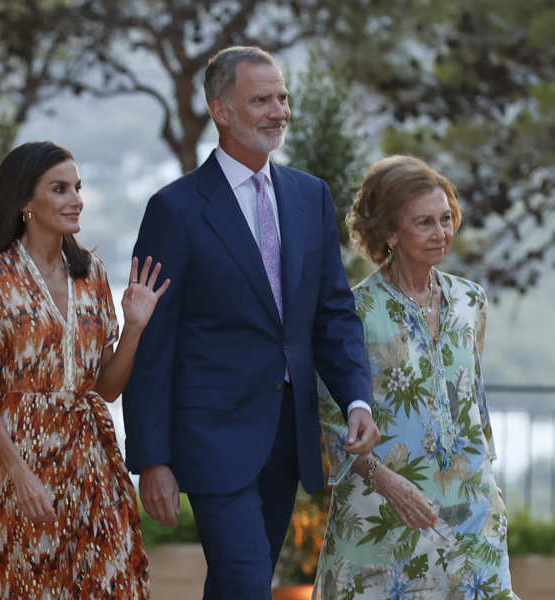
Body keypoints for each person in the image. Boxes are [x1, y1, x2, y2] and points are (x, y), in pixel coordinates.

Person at [122, 45, 380, 599]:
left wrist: (358, 398)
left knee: (243, 583)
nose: (278, 110)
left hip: (288, 437)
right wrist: (151, 459)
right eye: (260, 99)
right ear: (221, 111)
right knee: (244, 583)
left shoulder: (310, 197)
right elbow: (154, 343)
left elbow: (333, 313)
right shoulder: (176, 209)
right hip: (211, 440)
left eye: (282, 97)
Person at [0, 141, 170, 599]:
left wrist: (134, 328)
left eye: (77, 187)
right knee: (31, 588)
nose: (76, 199)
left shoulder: (91, 272)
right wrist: (19, 473)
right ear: (24, 203)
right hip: (23, 464)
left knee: (110, 585)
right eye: (60, 189)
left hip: (92, 460)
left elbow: (107, 389)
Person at [313, 155, 519, 599]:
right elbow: (333, 422)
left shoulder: (470, 301)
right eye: (424, 222)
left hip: (469, 515)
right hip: (383, 512)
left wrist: (489, 494)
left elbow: (470, 403)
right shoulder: (354, 313)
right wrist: (387, 483)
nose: (441, 233)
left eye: (446, 219)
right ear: (390, 231)